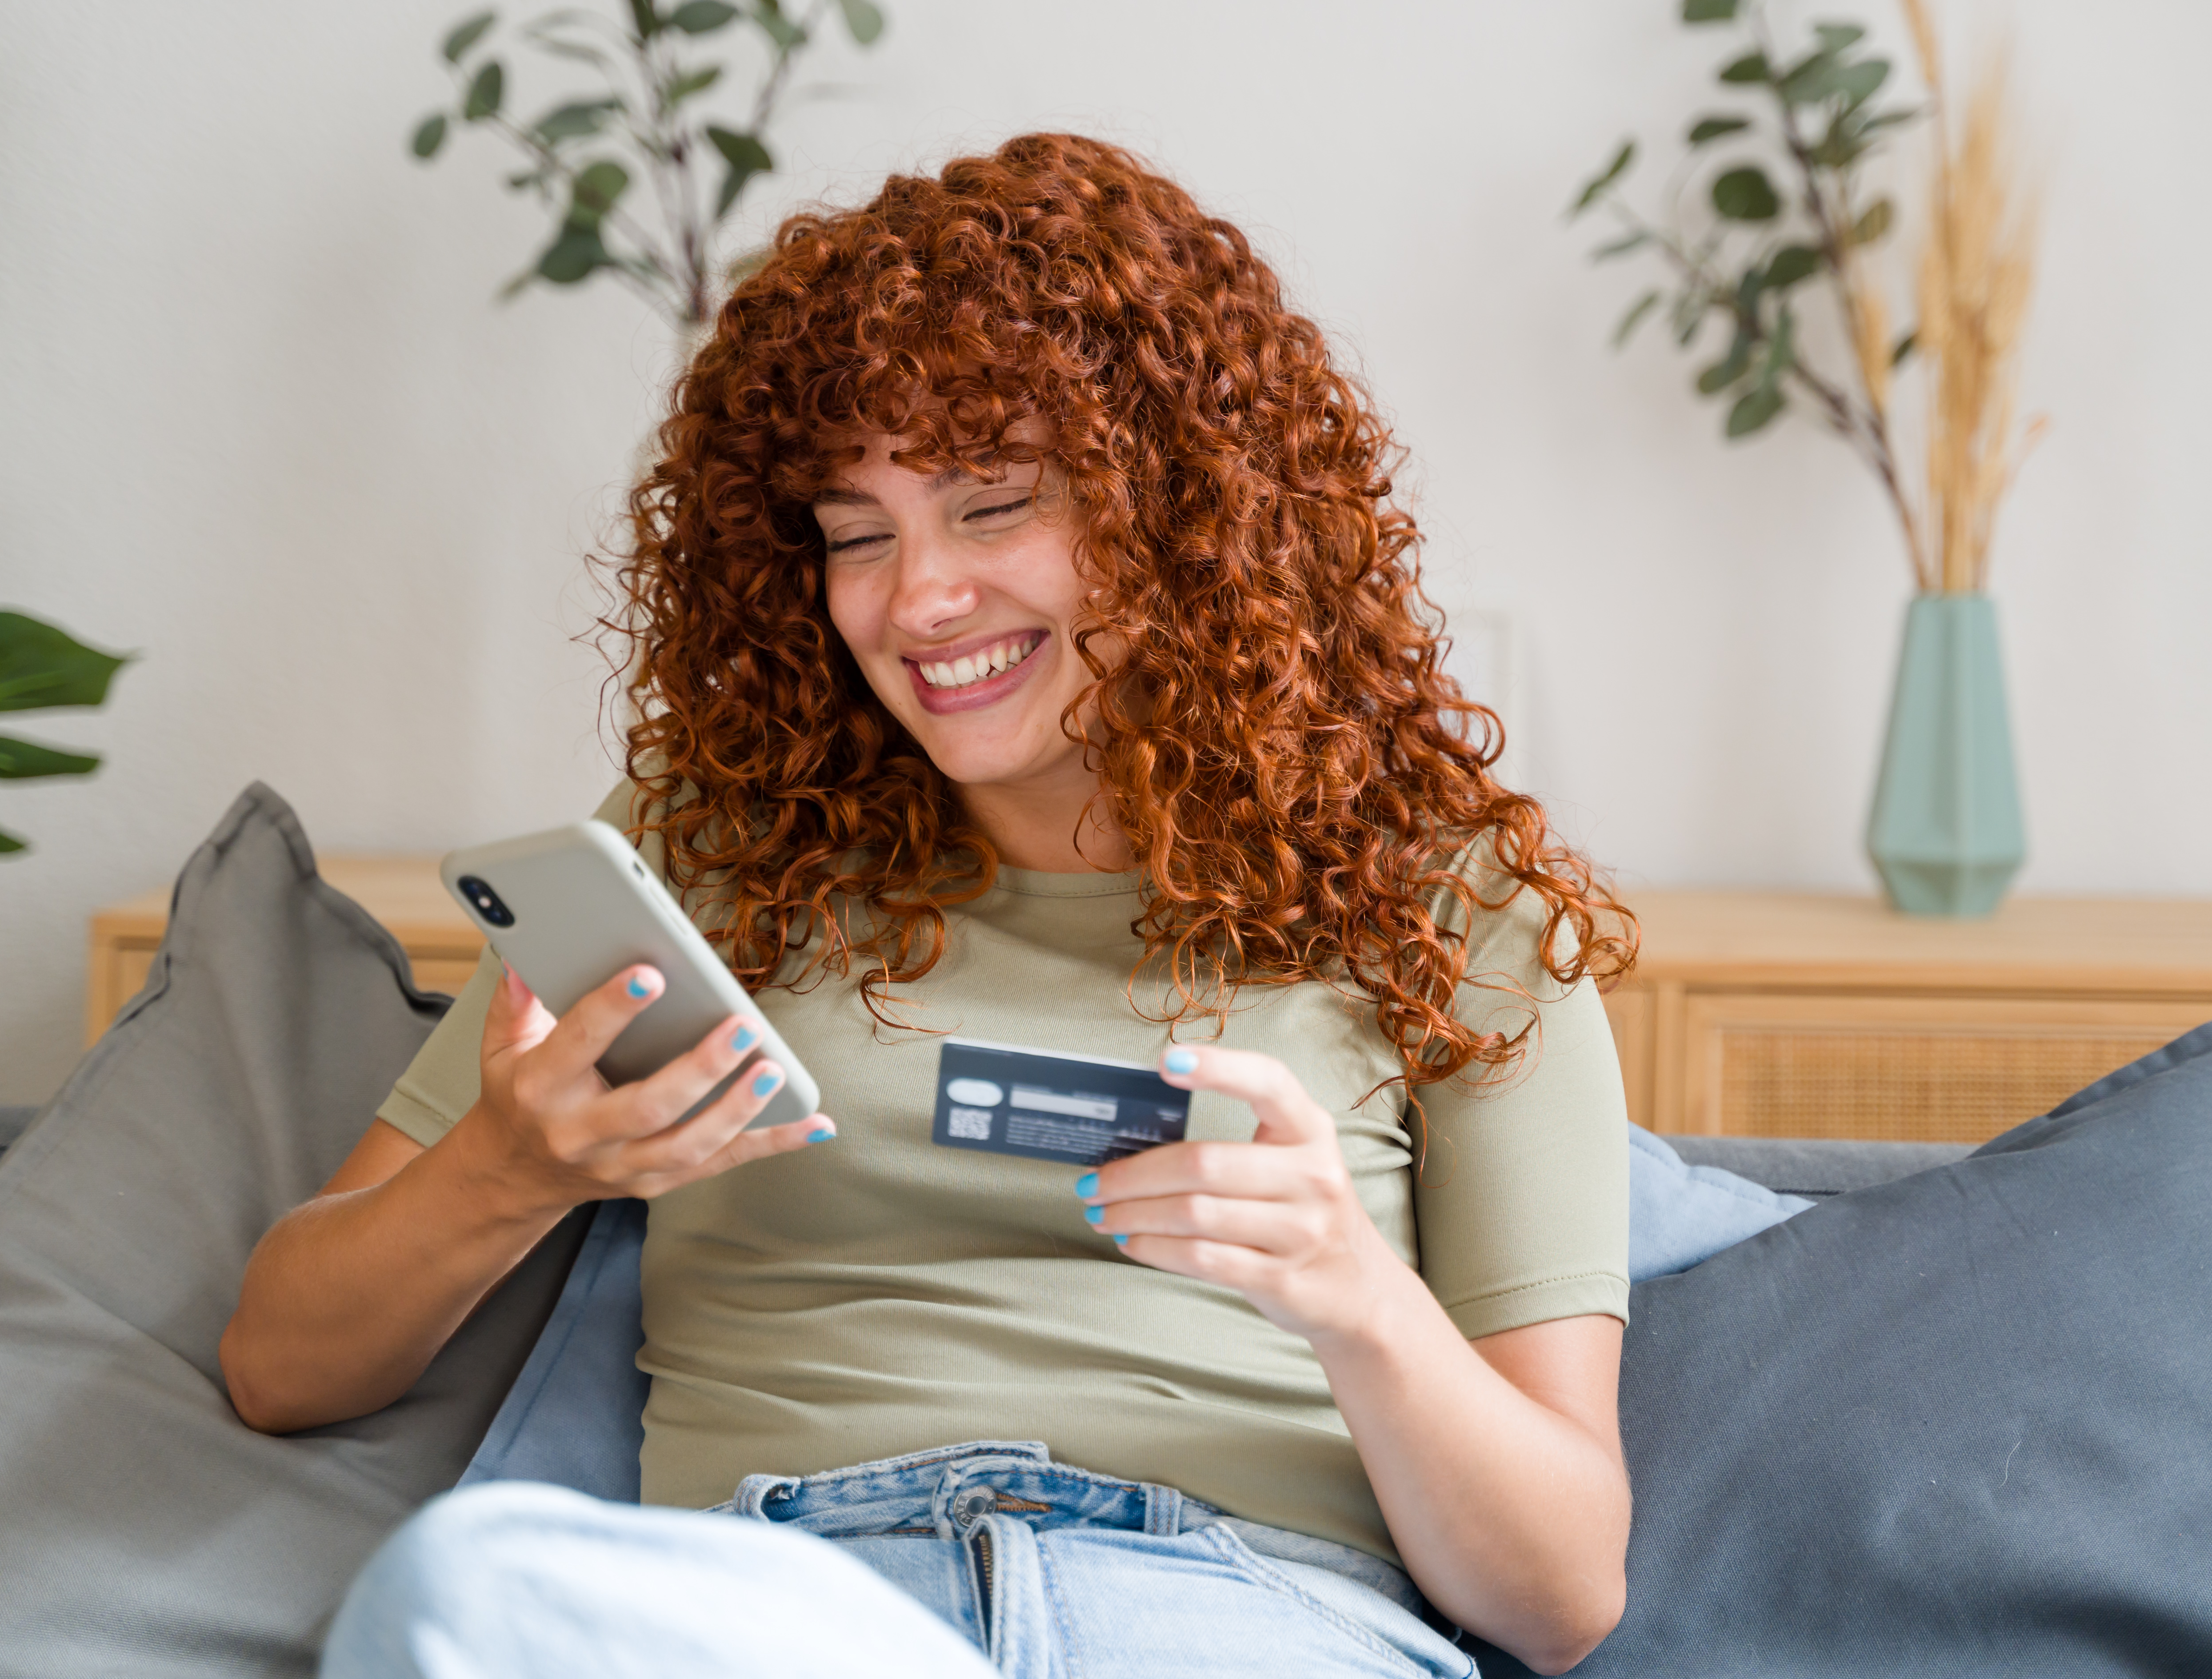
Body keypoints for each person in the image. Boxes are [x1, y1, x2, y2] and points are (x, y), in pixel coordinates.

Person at [221, 134, 1639, 1679]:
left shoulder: (1447, 899)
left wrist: (1360, 1300)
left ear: (1183, 516)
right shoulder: (712, 845)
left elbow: (1562, 1599)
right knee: (461, 1589)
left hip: (1225, 1607)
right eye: (856, 533)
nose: (915, 601)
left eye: (993, 506)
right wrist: (509, 1168)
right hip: (784, 1603)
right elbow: (281, 1363)